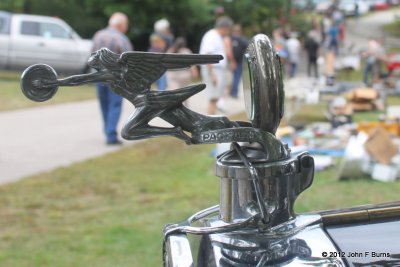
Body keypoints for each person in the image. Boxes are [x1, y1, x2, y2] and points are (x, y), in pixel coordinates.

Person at [91, 12, 133, 145]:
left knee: (104, 105)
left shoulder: (98, 35)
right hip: (116, 79)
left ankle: (107, 131)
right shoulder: (121, 39)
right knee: (114, 105)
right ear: (120, 25)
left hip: (99, 76)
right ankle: (110, 135)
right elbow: (129, 60)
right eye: (125, 25)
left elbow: (91, 56)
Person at [199, 16, 234, 115]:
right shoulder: (211, 36)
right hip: (213, 70)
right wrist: (212, 74)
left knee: (215, 97)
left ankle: (213, 118)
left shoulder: (217, 36)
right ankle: (211, 121)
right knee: (213, 98)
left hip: (217, 70)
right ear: (225, 28)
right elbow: (208, 55)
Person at [230, 24, 249, 98]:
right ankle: (234, 93)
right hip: (239, 62)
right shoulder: (242, 40)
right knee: (236, 78)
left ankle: (231, 92)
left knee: (233, 78)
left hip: (231, 62)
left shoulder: (230, 39)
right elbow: (248, 48)